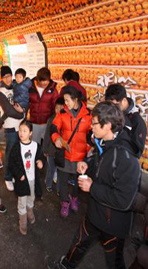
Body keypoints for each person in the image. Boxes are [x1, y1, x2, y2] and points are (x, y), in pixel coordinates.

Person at [49, 101, 141, 269]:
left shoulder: (126, 157)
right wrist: (87, 164)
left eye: (94, 123)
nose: (91, 127)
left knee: (114, 262)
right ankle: (64, 265)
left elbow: (124, 200)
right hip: (94, 213)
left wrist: (92, 188)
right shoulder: (104, 143)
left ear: (108, 126)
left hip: (113, 223)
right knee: (78, 243)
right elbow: (102, 168)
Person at [51, 86, 92, 217]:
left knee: (77, 181)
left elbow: (92, 134)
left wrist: (87, 148)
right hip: (65, 154)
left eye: (68, 100)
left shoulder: (88, 114)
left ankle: (74, 198)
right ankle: (64, 202)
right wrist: (56, 138)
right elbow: (53, 127)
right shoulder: (62, 113)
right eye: (65, 100)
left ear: (76, 100)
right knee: (62, 181)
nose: (66, 103)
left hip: (80, 157)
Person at [8, 120, 45, 235]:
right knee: (22, 202)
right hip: (22, 180)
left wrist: (40, 162)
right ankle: (23, 223)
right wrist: (19, 175)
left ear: (30, 133)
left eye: (25, 131)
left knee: (31, 198)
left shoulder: (35, 146)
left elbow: (40, 157)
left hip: (33, 179)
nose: (21, 133)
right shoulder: (16, 147)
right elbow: (11, 163)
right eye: (20, 130)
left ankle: (30, 213)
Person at [0, 66, 25, 191]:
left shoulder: (15, 87)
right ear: (1, 78)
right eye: (5, 76)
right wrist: (22, 114)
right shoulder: (1, 92)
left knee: (17, 153)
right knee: (9, 153)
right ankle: (8, 177)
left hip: (20, 125)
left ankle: (13, 174)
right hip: (10, 127)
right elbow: (8, 110)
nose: (8, 79)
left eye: (9, 75)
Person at [105, 83, 147, 158]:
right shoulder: (111, 113)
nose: (112, 109)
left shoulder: (137, 122)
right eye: (109, 105)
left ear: (124, 101)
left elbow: (137, 152)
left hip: (122, 163)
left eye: (115, 105)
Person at [29, 67, 59, 144]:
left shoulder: (53, 90)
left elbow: (55, 107)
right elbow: (27, 104)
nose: (45, 83)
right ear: (38, 80)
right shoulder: (30, 88)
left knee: (46, 146)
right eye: (43, 81)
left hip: (47, 123)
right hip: (34, 123)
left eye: (47, 81)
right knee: (35, 145)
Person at [43, 97, 65, 193]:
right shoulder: (51, 120)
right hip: (51, 150)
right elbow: (47, 135)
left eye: (61, 108)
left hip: (61, 151)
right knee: (51, 168)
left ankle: (59, 189)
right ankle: (48, 184)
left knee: (60, 171)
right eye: (57, 108)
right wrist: (45, 150)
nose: (58, 110)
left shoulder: (66, 120)